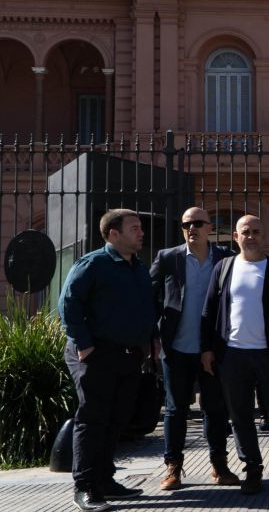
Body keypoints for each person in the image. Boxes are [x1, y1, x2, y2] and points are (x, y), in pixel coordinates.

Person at [200, 215, 269, 495]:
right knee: (240, 415)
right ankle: (252, 469)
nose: (251, 236)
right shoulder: (223, 268)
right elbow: (209, 311)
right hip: (232, 355)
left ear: (264, 235)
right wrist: (207, 349)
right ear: (235, 237)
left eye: (256, 231)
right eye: (245, 232)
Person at [59, 209, 156, 512]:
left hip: (128, 356)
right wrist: (85, 344)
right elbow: (68, 305)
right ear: (114, 234)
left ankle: (104, 479)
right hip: (95, 354)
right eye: (135, 228)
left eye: (140, 228)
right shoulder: (93, 264)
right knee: (93, 418)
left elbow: (145, 308)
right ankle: (85, 487)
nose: (141, 233)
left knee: (117, 420)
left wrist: (150, 338)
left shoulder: (138, 267)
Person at [149, 207, 239, 490]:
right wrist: (153, 335)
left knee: (215, 409)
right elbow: (148, 296)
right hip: (176, 347)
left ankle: (219, 466)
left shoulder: (225, 258)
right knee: (175, 410)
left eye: (198, 223)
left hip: (212, 348)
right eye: (186, 223)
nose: (192, 228)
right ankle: (173, 468)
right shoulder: (168, 258)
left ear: (209, 227)